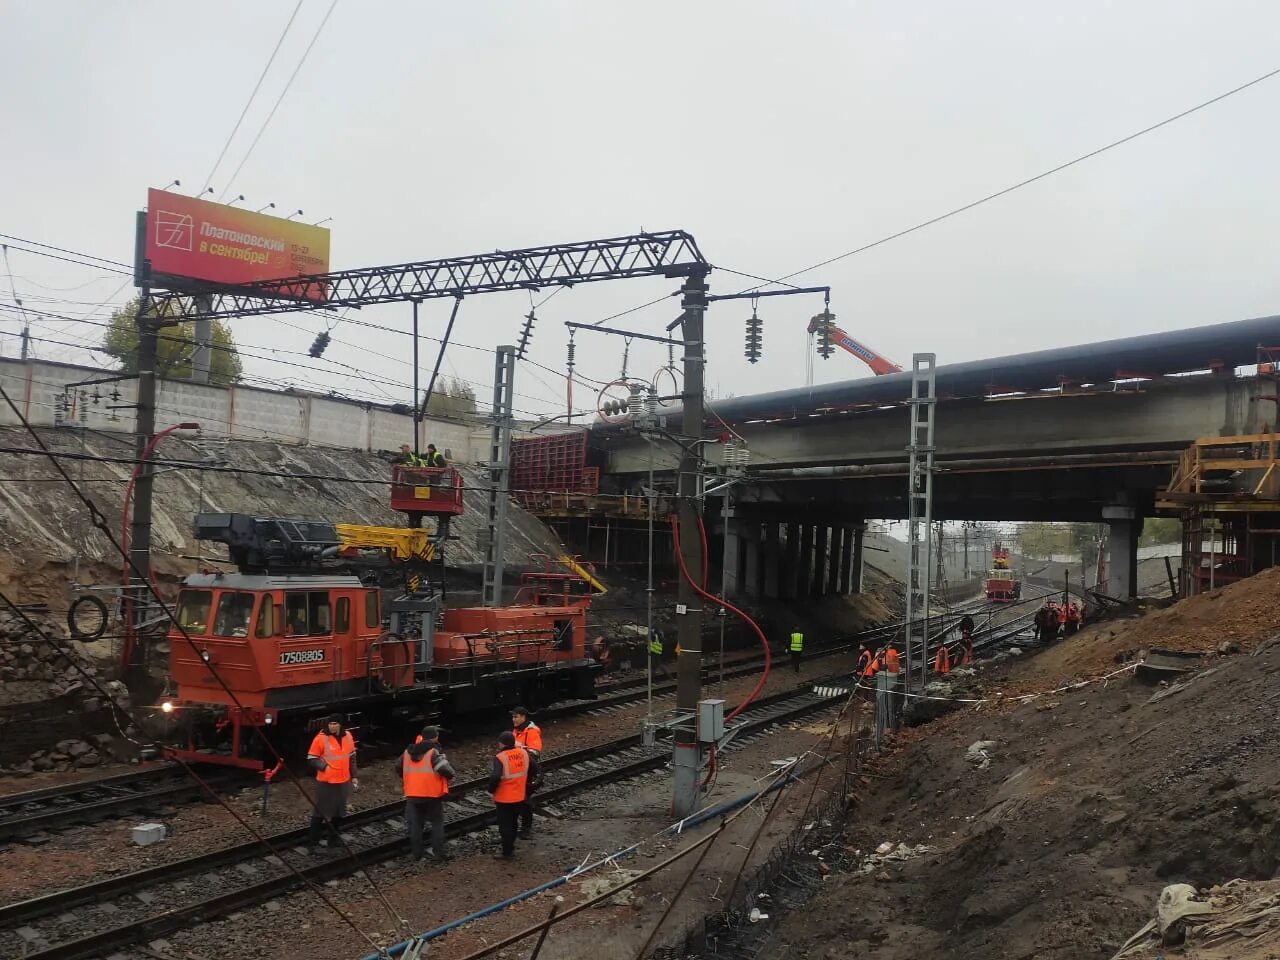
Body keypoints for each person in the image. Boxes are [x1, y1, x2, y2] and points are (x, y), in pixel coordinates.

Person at [396, 725, 455, 861]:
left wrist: (410, 779)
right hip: (431, 794)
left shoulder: (407, 752)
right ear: (435, 737)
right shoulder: (432, 752)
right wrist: (450, 776)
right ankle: (439, 853)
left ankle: (417, 855)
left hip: (412, 794)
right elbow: (446, 770)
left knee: (416, 825)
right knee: (437, 823)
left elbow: (398, 767)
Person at [306, 714, 357, 851]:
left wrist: (354, 776)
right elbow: (311, 758)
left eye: (335, 723)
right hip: (326, 781)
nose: (332, 726)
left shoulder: (348, 737)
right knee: (319, 814)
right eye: (330, 724)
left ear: (340, 724)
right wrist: (325, 767)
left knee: (338, 813)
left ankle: (332, 840)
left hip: (343, 781)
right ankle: (313, 843)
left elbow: (352, 758)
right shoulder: (320, 739)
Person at [488, 730, 540, 859]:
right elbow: (534, 769)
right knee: (514, 823)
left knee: (505, 826)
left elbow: (495, 777)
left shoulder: (500, 757)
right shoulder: (523, 753)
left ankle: (507, 852)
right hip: (520, 796)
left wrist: (491, 789)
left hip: (504, 798)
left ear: (502, 744)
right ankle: (510, 846)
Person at [511, 706, 542, 836]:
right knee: (520, 799)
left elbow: (534, 752)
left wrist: (519, 751)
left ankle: (526, 828)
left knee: (524, 800)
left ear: (523, 717)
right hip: (517, 770)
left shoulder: (531, 731)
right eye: (513, 717)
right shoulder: (517, 730)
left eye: (516, 717)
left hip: (526, 771)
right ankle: (522, 827)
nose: (513, 719)